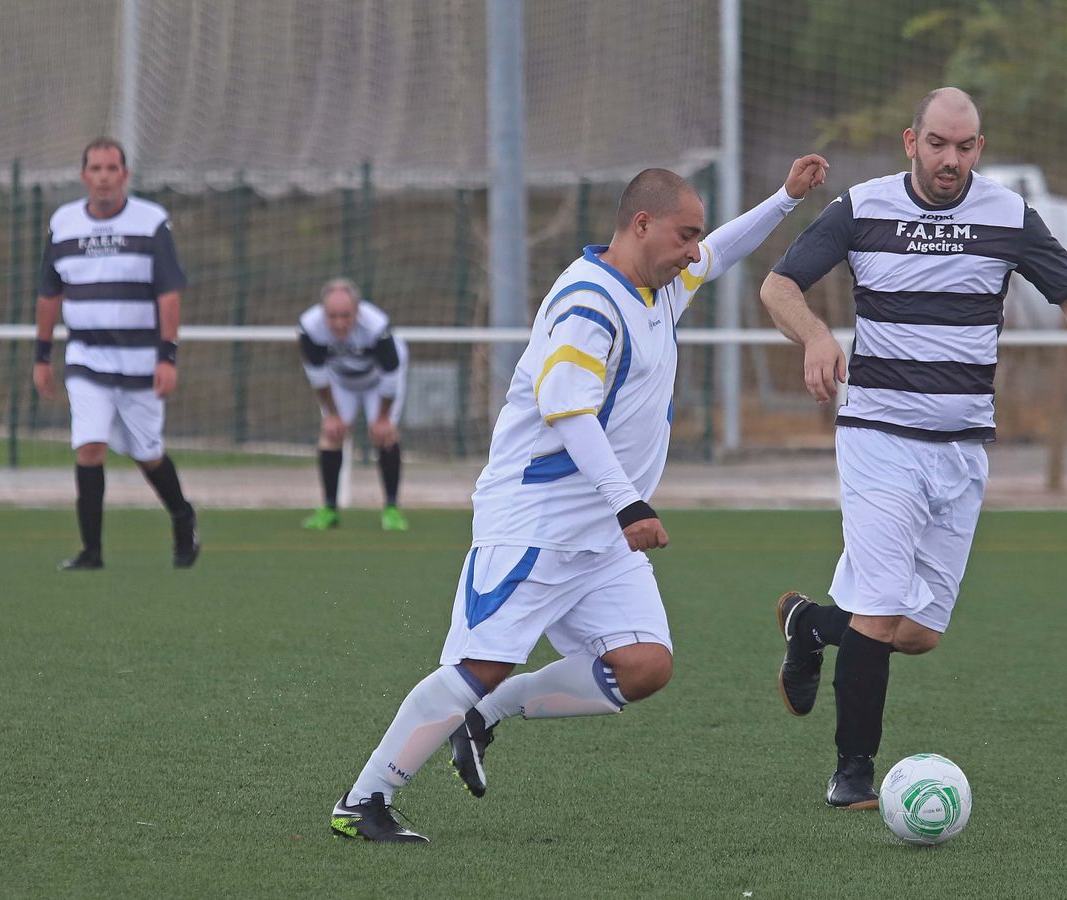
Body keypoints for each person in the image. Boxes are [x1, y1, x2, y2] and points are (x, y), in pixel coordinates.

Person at [329, 154, 830, 842]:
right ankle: (364, 802)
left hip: (602, 530)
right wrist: (631, 504)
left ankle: (486, 714)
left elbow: (719, 253)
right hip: (537, 520)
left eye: (695, 236)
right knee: (479, 664)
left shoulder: (661, 282)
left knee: (645, 665)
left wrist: (785, 198)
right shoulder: (587, 304)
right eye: (684, 235)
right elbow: (568, 411)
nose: (694, 251)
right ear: (642, 224)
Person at [759, 88, 1067, 809]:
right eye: (937, 143)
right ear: (911, 142)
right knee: (880, 611)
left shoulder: (1008, 215)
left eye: (964, 146)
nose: (950, 159)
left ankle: (809, 625)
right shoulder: (863, 207)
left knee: (916, 634)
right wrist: (815, 335)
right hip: (879, 439)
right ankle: (853, 775)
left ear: (980, 148)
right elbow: (779, 285)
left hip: (962, 449)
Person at [32, 137, 201, 572]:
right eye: (96, 169)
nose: (104, 177)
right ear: (83, 176)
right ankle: (91, 551)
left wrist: (167, 357)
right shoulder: (64, 222)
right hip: (87, 357)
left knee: (148, 452)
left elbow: (168, 294)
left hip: (141, 360)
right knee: (90, 446)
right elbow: (49, 293)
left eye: (112, 169)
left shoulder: (151, 221)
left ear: (125, 175)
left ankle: (182, 516)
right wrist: (42, 356)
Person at [297, 279, 410, 531]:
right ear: (323, 312)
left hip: (379, 381)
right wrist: (332, 415)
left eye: (346, 315)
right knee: (331, 433)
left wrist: (383, 417)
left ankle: (391, 509)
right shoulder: (309, 327)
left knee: (385, 434)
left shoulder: (377, 326)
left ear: (357, 311)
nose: (339, 323)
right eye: (333, 316)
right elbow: (317, 375)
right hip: (341, 381)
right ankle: (329, 509)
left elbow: (391, 375)